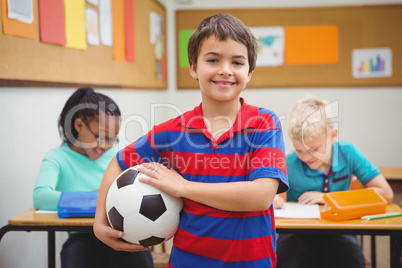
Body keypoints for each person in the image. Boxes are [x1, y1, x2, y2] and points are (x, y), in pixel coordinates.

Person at [94, 13, 288, 268]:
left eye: (237, 62)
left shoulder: (264, 123)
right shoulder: (172, 132)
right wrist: (99, 223)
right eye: (213, 59)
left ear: (249, 72)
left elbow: (261, 195)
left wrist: (183, 187)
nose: (225, 70)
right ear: (193, 67)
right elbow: (118, 163)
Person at [33, 87, 153, 268]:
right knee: (77, 252)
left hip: (119, 232)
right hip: (81, 237)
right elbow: (41, 197)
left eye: (112, 139)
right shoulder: (57, 157)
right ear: (79, 126)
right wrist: (97, 197)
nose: (106, 145)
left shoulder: (117, 157)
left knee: (135, 252)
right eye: (100, 137)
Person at [276, 96, 394, 268]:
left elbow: (386, 194)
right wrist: (273, 199)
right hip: (296, 233)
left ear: (333, 136)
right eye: (300, 150)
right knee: (288, 258)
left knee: (350, 258)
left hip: (340, 231)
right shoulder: (289, 162)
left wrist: (328, 198)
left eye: (314, 149)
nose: (307, 157)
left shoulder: (349, 153)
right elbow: (274, 198)